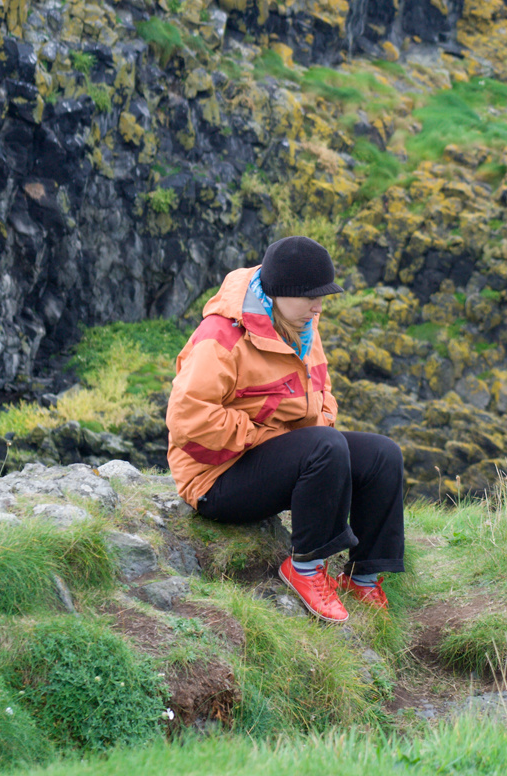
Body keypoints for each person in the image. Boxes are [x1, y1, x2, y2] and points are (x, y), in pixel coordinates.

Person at [165, 236, 404, 623]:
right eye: (311, 296)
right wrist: (276, 438)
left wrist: (310, 430)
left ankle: (365, 576)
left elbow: (322, 391)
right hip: (217, 479)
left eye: (323, 296)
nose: (319, 306)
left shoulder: (302, 322)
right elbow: (187, 418)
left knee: (382, 455)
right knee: (324, 446)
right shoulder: (222, 337)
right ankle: (306, 568)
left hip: (278, 458)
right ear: (278, 293)